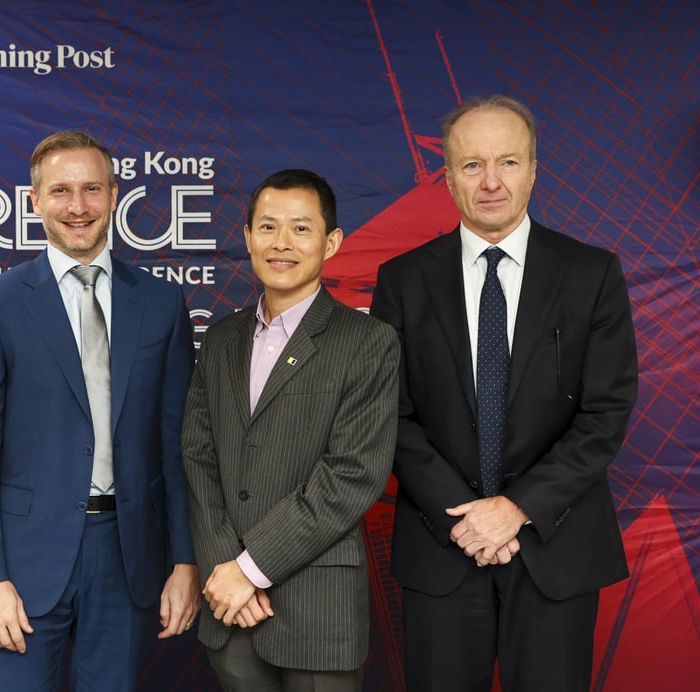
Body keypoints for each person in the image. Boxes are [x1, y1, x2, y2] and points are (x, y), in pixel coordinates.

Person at [370, 95, 638, 691]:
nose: (491, 182)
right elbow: (388, 413)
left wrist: (514, 510)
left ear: (535, 170)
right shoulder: (403, 279)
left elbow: (605, 413)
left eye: (509, 163)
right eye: (472, 165)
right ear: (448, 177)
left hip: (556, 547)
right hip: (443, 548)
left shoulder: (593, 274)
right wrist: (470, 522)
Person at [0, 130, 199, 691]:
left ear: (114, 195)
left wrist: (186, 561)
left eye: (91, 189)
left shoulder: (160, 302)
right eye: (61, 191)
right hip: (22, 561)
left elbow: (178, 446)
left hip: (130, 555)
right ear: (35, 201)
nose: (77, 207)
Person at [182, 169, 400, 691]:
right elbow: (197, 454)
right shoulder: (221, 338)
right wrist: (223, 570)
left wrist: (250, 570)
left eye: (301, 229)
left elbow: (352, 475)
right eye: (268, 227)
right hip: (229, 608)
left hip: (317, 610)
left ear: (331, 242)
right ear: (249, 236)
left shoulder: (367, 341)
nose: (282, 243)